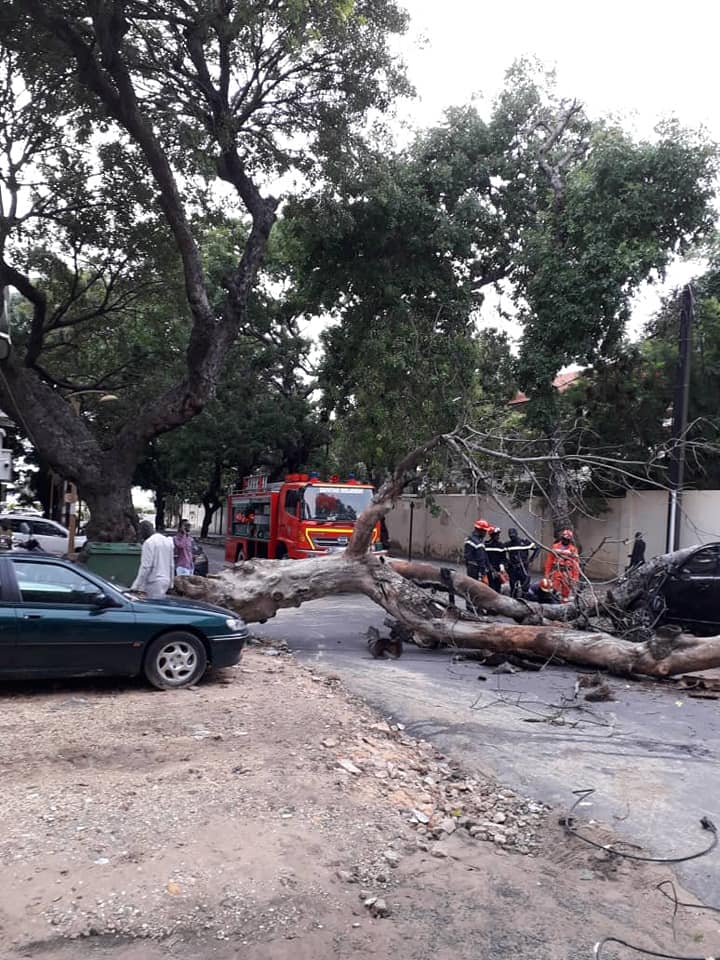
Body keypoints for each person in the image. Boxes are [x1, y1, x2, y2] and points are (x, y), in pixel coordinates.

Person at [131, 519, 175, 598]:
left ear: (145, 531)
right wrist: (171, 583)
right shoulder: (167, 541)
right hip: (165, 580)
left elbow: (146, 567)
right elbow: (171, 564)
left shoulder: (148, 543)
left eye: (141, 533)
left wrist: (136, 585)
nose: (140, 535)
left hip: (153, 581)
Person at [544, 528, 580, 602]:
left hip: (567, 573)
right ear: (562, 538)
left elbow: (575, 565)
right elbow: (549, 561)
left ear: (570, 540)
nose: (565, 541)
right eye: (564, 538)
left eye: (567, 539)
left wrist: (575, 577)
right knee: (553, 590)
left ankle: (564, 606)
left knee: (566, 593)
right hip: (556, 571)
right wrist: (547, 573)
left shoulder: (573, 550)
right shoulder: (555, 547)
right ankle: (552, 605)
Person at [504, 527, 537, 597]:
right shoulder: (508, 544)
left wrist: (531, 559)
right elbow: (501, 553)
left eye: (513, 535)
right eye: (510, 536)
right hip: (513, 569)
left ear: (516, 534)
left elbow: (537, 548)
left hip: (523, 568)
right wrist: (506, 562)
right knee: (513, 588)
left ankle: (524, 601)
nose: (512, 537)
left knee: (525, 588)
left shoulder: (524, 542)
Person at [485, 526, 506, 593]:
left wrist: (502, 566)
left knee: (497, 587)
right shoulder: (486, 545)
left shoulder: (501, 545)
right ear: (492, 535)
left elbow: (503, 558)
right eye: (496, 535)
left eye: (498, 535)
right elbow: (484, 557)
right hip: (488, 570)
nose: (498, 536)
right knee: (488, 587)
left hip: (498, 570)